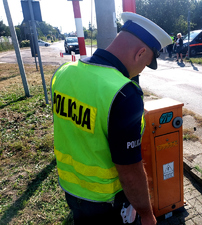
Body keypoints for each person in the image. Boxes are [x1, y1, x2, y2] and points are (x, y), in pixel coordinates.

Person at [50, 12, 172, 225]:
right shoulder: (123, 93)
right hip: (106, 202)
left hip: (71, 189)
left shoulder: (63, 72)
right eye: (146, 63)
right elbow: (130, 171)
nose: (142, 70)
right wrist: (146, 213)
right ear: (141, 52)